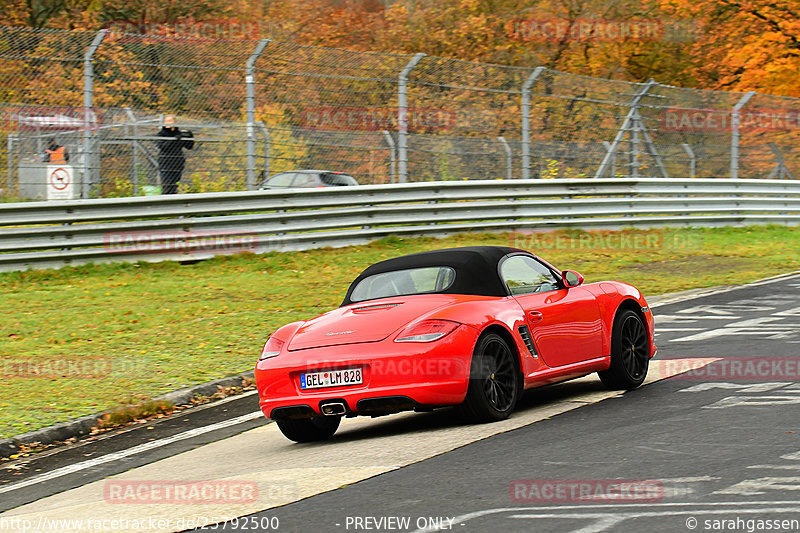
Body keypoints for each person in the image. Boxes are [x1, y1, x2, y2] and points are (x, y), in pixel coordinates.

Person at [156, 115, 194, 194]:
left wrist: (190, 137)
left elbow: (189, 146)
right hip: (165, 163)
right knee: (167, 185)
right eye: (166, 121)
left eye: (170, 121)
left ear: (175, 122)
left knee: (174, 186)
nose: (168, 123)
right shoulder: (161, 134)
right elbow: (163, 147)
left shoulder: (179, 134)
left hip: (177, 163)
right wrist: (174, 139)